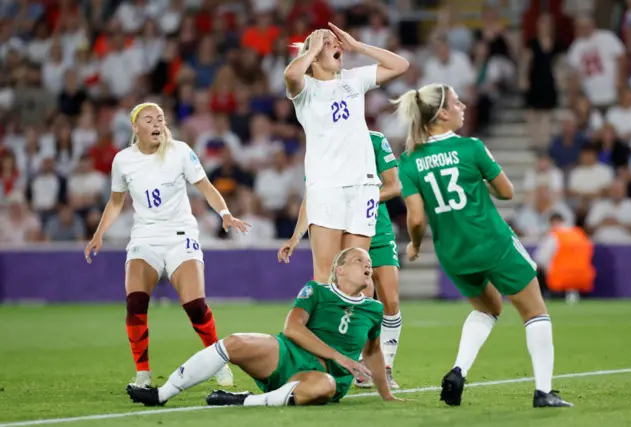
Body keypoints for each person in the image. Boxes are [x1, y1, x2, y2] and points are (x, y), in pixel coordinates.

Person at [393, 83, 572, 408]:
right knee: (535, 311)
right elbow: (506, 193)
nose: (463, 106)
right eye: (457, 102)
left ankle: (459, 370)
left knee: (488, 308)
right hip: (492, 242)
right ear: (442, 113)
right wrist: (476, 183)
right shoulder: (471, 148)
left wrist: (415, 246)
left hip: (453, 253)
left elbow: (416, 219)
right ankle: (543, 391)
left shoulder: (408, 161)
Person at [84, 102, 249, 389]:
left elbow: (206, 186)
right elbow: (115, 201)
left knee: (195, 306)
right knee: (135, 303)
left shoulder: (180, 151)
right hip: (145, 237)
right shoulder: (123, 160)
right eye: (149, 119)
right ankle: (143, 374)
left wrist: (225, 213)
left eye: (160, 118)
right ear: (135, 127)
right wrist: (99, 233)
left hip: (180, 234)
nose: (156, 123)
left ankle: (219, 363)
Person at [126, 247, 398, 407]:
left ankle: (242, 400)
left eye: (369, 263)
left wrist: (386, 393)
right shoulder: (316, 291)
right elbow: (293, 329)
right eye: (359, 260)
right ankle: (162, 393)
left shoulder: (374, 309)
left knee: (323, 387)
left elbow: (372, 352)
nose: (367, 265)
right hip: (288, 355)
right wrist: (338, 355)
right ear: (339, 270)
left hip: (325, 378)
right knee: (234, 342)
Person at [284, 24, 408, 284]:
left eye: (335, 42)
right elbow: (291, 74)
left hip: (363, 188)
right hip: (328, 187)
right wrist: (313, 49)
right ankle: (321, 325)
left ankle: (355, 326)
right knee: (327, 273)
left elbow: (400, 66)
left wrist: (359, 46)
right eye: (328, 43)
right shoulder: (306, 90)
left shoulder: (353, 79)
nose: (337, 45)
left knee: (358, 273)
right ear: (315, 54)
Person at [278, 131, 403, 389]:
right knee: (356, 294)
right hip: (342, 228)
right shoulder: (323, 141)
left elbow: (394, 185)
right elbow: (313, 195)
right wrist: (295, 236)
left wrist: (363, 199)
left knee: (390, 298)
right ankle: (356, 362)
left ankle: (386, 365)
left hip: (375, 226)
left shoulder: (375, 140)